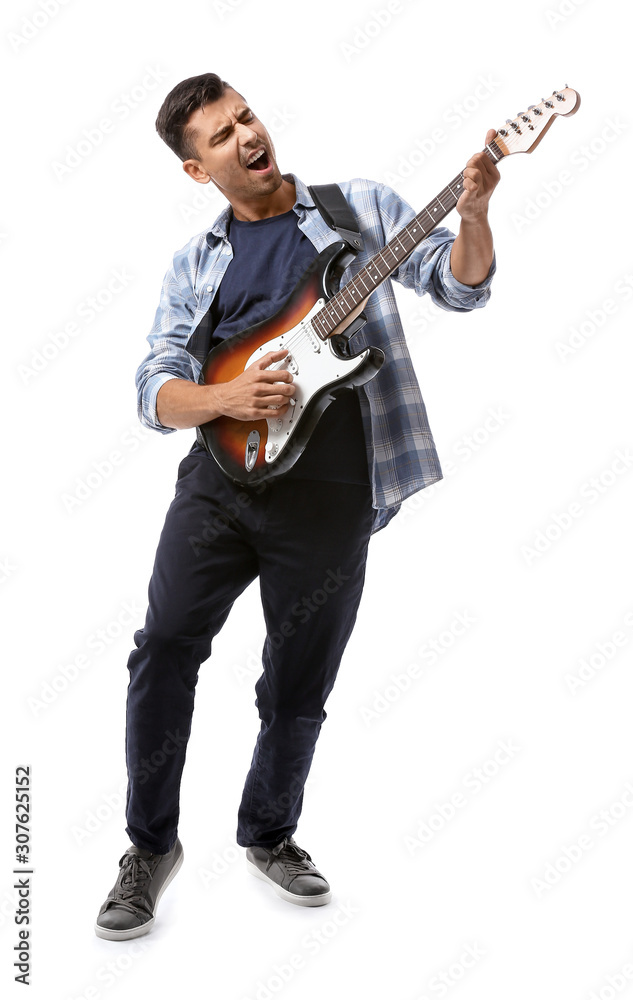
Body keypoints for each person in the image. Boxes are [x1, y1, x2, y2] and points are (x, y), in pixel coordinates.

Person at [94, 72, 500, 940]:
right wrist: (225, 400)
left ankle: (269, 833)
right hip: (218, 486)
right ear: (197, 171)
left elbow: (460, 289)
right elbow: (153, 388)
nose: (244, 134)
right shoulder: (195, 261)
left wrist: (471, 212)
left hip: (333, 495)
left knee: (297, 681)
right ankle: (148, 848)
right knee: (163, 649)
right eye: (218, 135)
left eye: (245, 115)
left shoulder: (356, 209)